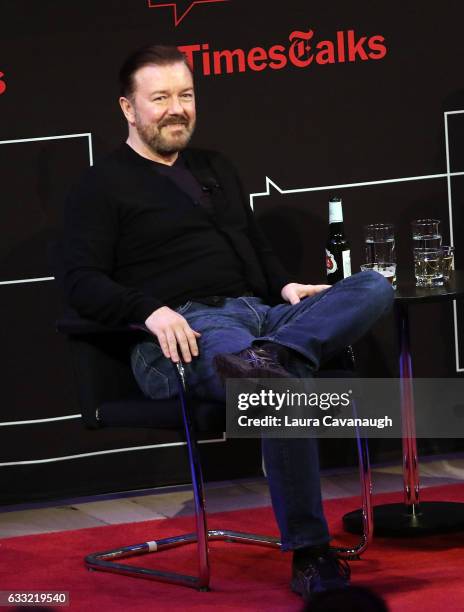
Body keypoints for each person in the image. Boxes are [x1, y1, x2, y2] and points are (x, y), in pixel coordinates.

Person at [63, 44, 394, 600]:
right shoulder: (99, 185)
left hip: (260, 316)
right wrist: (148, 310)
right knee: (274, 387)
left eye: (186, 96)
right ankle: (310, 555)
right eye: (161, 98)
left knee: (373, 285)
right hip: (186, 331)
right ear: (128, 108)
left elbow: (254, 248)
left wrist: (285, 288)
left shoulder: (215, 167)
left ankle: (278, 353)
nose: (177, 109)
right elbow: (79, 281)